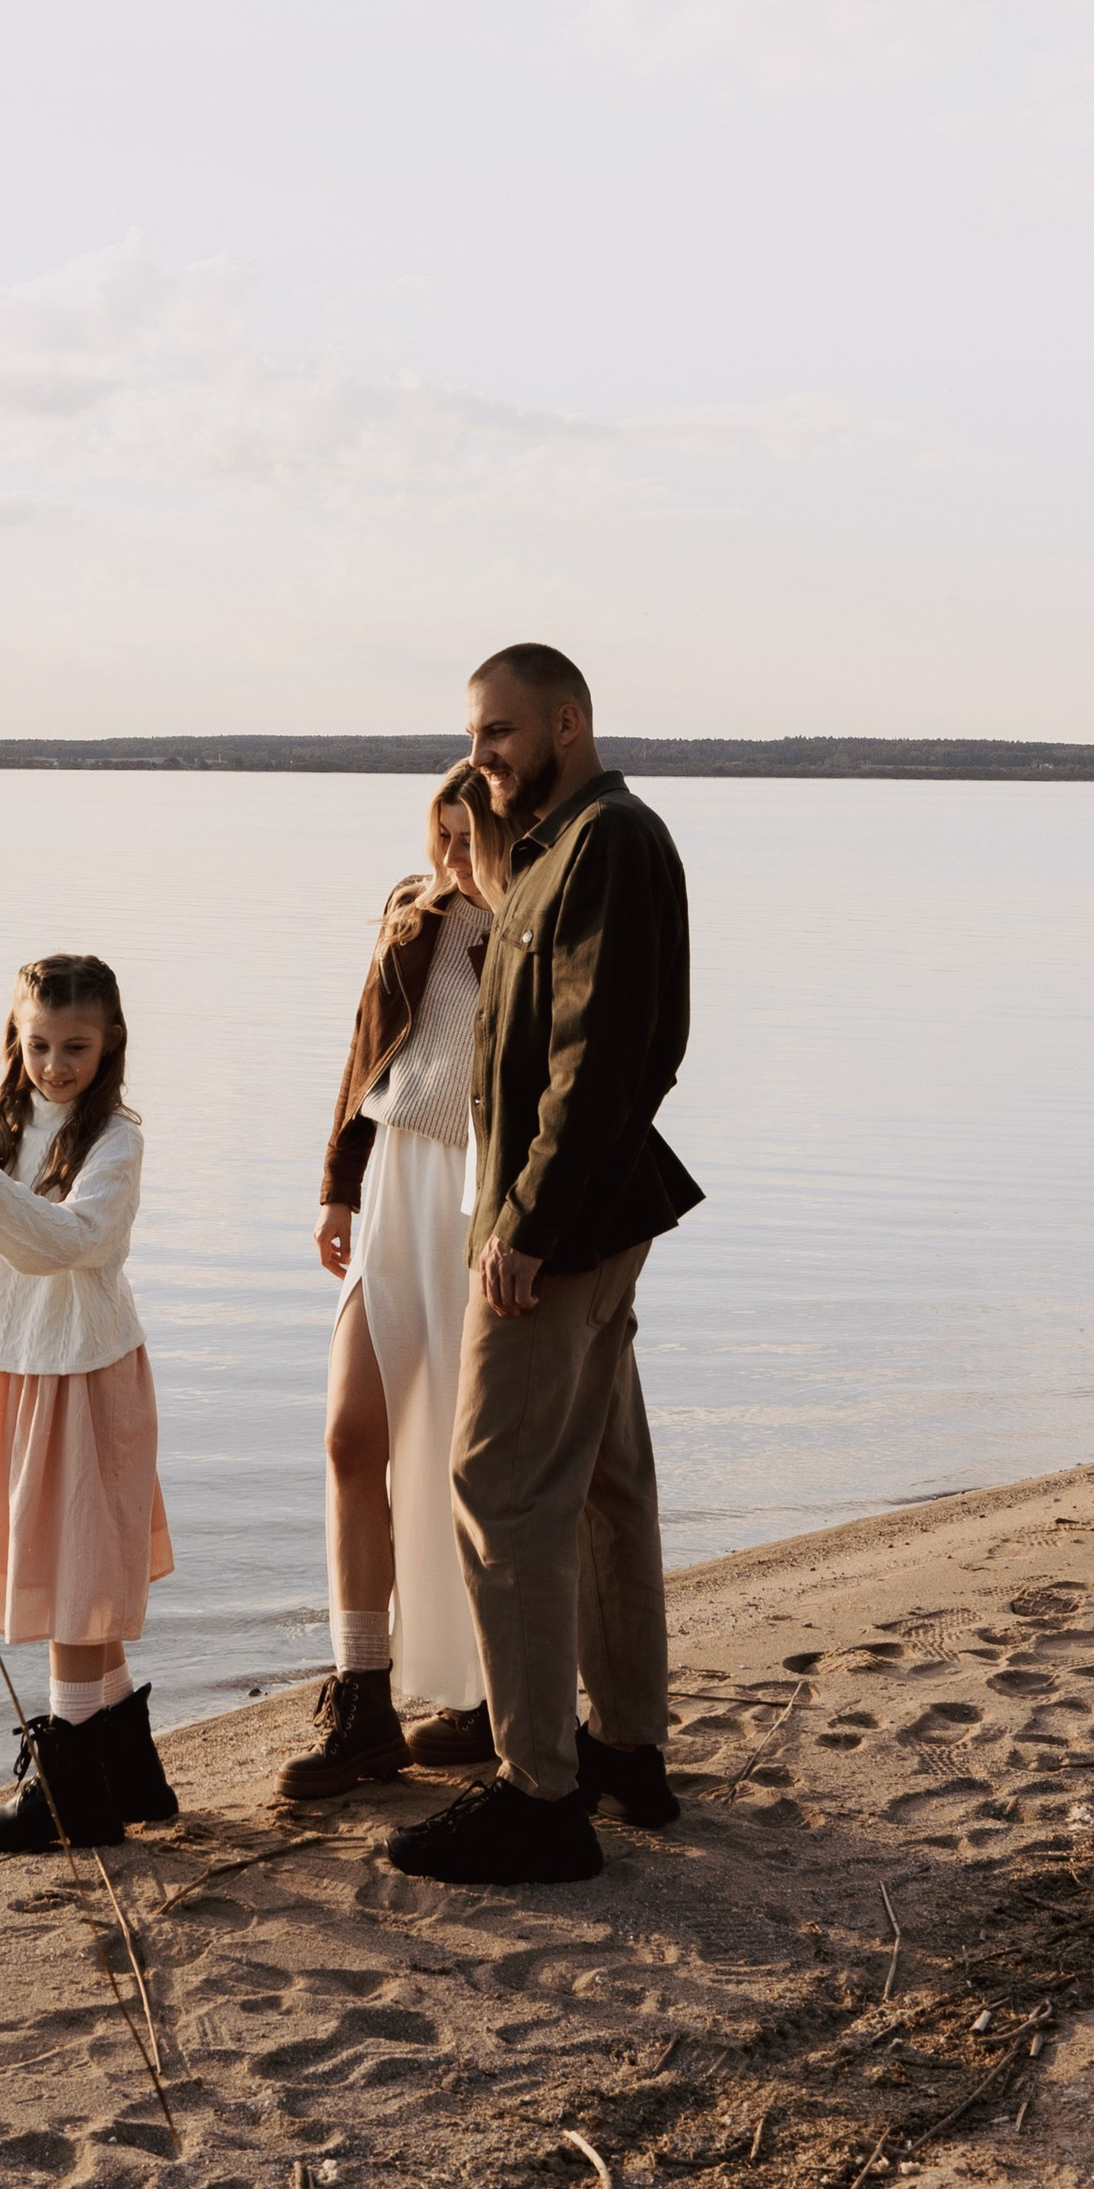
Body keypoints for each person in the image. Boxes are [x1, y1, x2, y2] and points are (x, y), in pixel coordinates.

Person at [387, 644, 703, 1890]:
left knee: (501, 1486)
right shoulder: (553, 852)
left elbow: (607, 1053)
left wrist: (525, 1225)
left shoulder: (608, 842)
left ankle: (537, 1795)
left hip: (559, 1229)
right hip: (585, 1216)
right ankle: (622, 1749)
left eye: (498, 733)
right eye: (473, 737)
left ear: (567, 724)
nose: (479, 759)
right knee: (606, 1480)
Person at [0, 952, 178, 1851]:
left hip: (85, 1375)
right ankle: (126, 1774)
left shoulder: (116, 1142)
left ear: (110, 1043)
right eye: (39, 1045)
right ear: (15, 1040)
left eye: (75, 1047)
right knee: (71, 1569)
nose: (55, 1065)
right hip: (19, 1368)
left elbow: (66, 1242)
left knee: (72, 1580)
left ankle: (68, 1795)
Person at [278, 762, 507, 1803]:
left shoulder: (534, 926)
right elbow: (363, 1055)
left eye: (470, 838)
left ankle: (494, 1691)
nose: (452, 858)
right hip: (397, 1184)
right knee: (349, 1435)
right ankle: (362, 1699)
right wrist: (338, 1187)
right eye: (441, 837)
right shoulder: (412, 913)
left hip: (482, 1199)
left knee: (475, 1459)